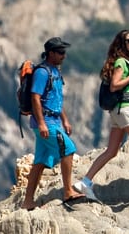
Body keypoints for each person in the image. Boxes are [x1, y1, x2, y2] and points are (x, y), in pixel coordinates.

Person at [74, 29, 129, 201]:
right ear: (122, 44)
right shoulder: (121, 63)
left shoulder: (122, 62)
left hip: (118, 111)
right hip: (125, 109)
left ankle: (85, 182)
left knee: (112, 150)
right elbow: (114, 85)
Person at [21, 36, 83, 210]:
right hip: (46, 122)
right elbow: (35, 97)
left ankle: (28, 201)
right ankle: (68, 191)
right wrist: (41, 124)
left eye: (64, 52)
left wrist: (65, 120)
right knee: (69, 149)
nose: (64, 55)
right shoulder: (42, 72)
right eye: (60, 52)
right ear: (50, 53)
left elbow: (55, 99)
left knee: (40, 162)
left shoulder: (55, 71)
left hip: (53, 120)